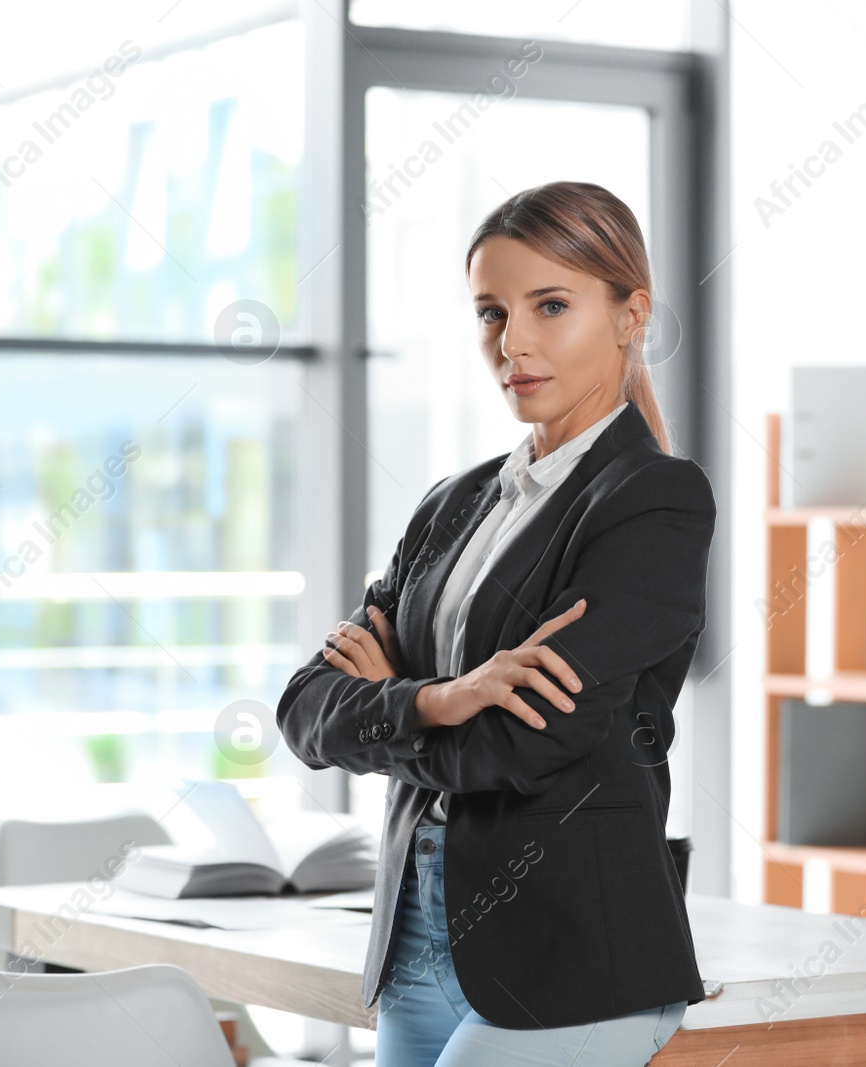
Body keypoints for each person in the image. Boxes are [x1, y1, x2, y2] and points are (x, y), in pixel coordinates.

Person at [276, 180, 716, 1067]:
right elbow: (304, 706)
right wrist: (444, 698)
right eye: (490, 313)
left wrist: (389, 698)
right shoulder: (455, 502)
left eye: (550, 306)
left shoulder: (653, 500)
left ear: (632, 315)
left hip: (569, 955)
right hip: (416, 942)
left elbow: (530, 741)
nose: (512, 343)